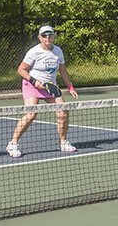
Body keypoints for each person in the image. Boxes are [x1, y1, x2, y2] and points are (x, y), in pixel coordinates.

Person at [7, 25, 79, 158]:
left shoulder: (58, 51)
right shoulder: (34, 52)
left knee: (63, 112)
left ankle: (63, 142)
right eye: (44, 35)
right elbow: (21, 69)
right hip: (31, 85)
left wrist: (70, 87)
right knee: (31, 115)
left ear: (53, 36)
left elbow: (62, 71)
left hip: (49, 87)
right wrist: (34, 81)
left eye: (50, 35)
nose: (48, 38)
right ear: (40, 37)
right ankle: (13, 143)